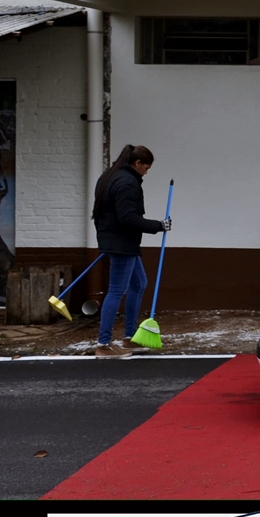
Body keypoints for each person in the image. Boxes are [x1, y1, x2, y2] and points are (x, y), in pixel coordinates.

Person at [90, 144, 170, 358]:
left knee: (139, 283)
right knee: (116, 291)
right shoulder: (127, 183)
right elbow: (128, 218)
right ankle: (103, 345)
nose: (146, 172)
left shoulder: (109, 176)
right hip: (121, 242)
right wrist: (159, 225)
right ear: (137, 163)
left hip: (116, 239)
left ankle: (130, 337)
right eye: (146, 168)